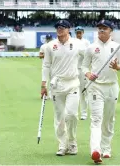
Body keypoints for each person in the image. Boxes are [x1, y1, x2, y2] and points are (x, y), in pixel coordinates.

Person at [81, 20, 120, 163]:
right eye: (99, 29)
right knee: (96, 119)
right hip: (96, 87)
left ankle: (106, 148)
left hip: (112, 86)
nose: (101, 31)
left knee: (109, 119)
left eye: (104, 29)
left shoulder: (117, 47)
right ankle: (96, 150)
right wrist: (88, 75)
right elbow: (84, 67)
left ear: (110, 31)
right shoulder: (91, 47)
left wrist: (118, 67)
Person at [41, 20, 84, 156]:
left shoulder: (78, 44)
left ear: (68, 29)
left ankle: (72, 142)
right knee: (59, 117)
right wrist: (43, 84)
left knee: (71, 115)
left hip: (73, 83)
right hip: (57, 84)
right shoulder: (50, 46)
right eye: (58, 27)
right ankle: (62, 144)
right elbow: (46, 65)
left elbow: (88, 56)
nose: (59, 29)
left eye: (63, 27)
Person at [75, 26, 91, 120]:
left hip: (83, 69)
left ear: (83, 33)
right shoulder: (72, 42)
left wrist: (81, 52)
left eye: (80, 32)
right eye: (77, 32)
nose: (78, 34)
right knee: (73, 92)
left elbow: (88, 55)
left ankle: (84, 113)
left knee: (83, 91)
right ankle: (73, 113)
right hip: (73, 69)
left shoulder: (86, 42)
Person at [39, 34, 53, 99]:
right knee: (44, 80)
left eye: (50, 38)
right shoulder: (43, 46)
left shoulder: (54, 46)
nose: (49, 40)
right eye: (48, 38)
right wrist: (46, 55)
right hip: (45, 66)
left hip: (53, 66)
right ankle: (44, 94)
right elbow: (40, 56)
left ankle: (52, 94)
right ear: (46, 39)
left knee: (53, 81)